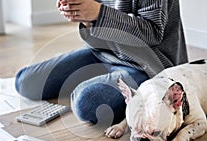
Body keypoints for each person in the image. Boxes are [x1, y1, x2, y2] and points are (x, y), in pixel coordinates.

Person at [15, 0, 188, 129]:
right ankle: (102, 83)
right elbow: (96, 31)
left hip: (146, 65)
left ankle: (111, 88)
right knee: (25, 82)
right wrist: (82, 15)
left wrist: (99, 13)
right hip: (103, 52)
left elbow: (151, 33)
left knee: (87, 104)